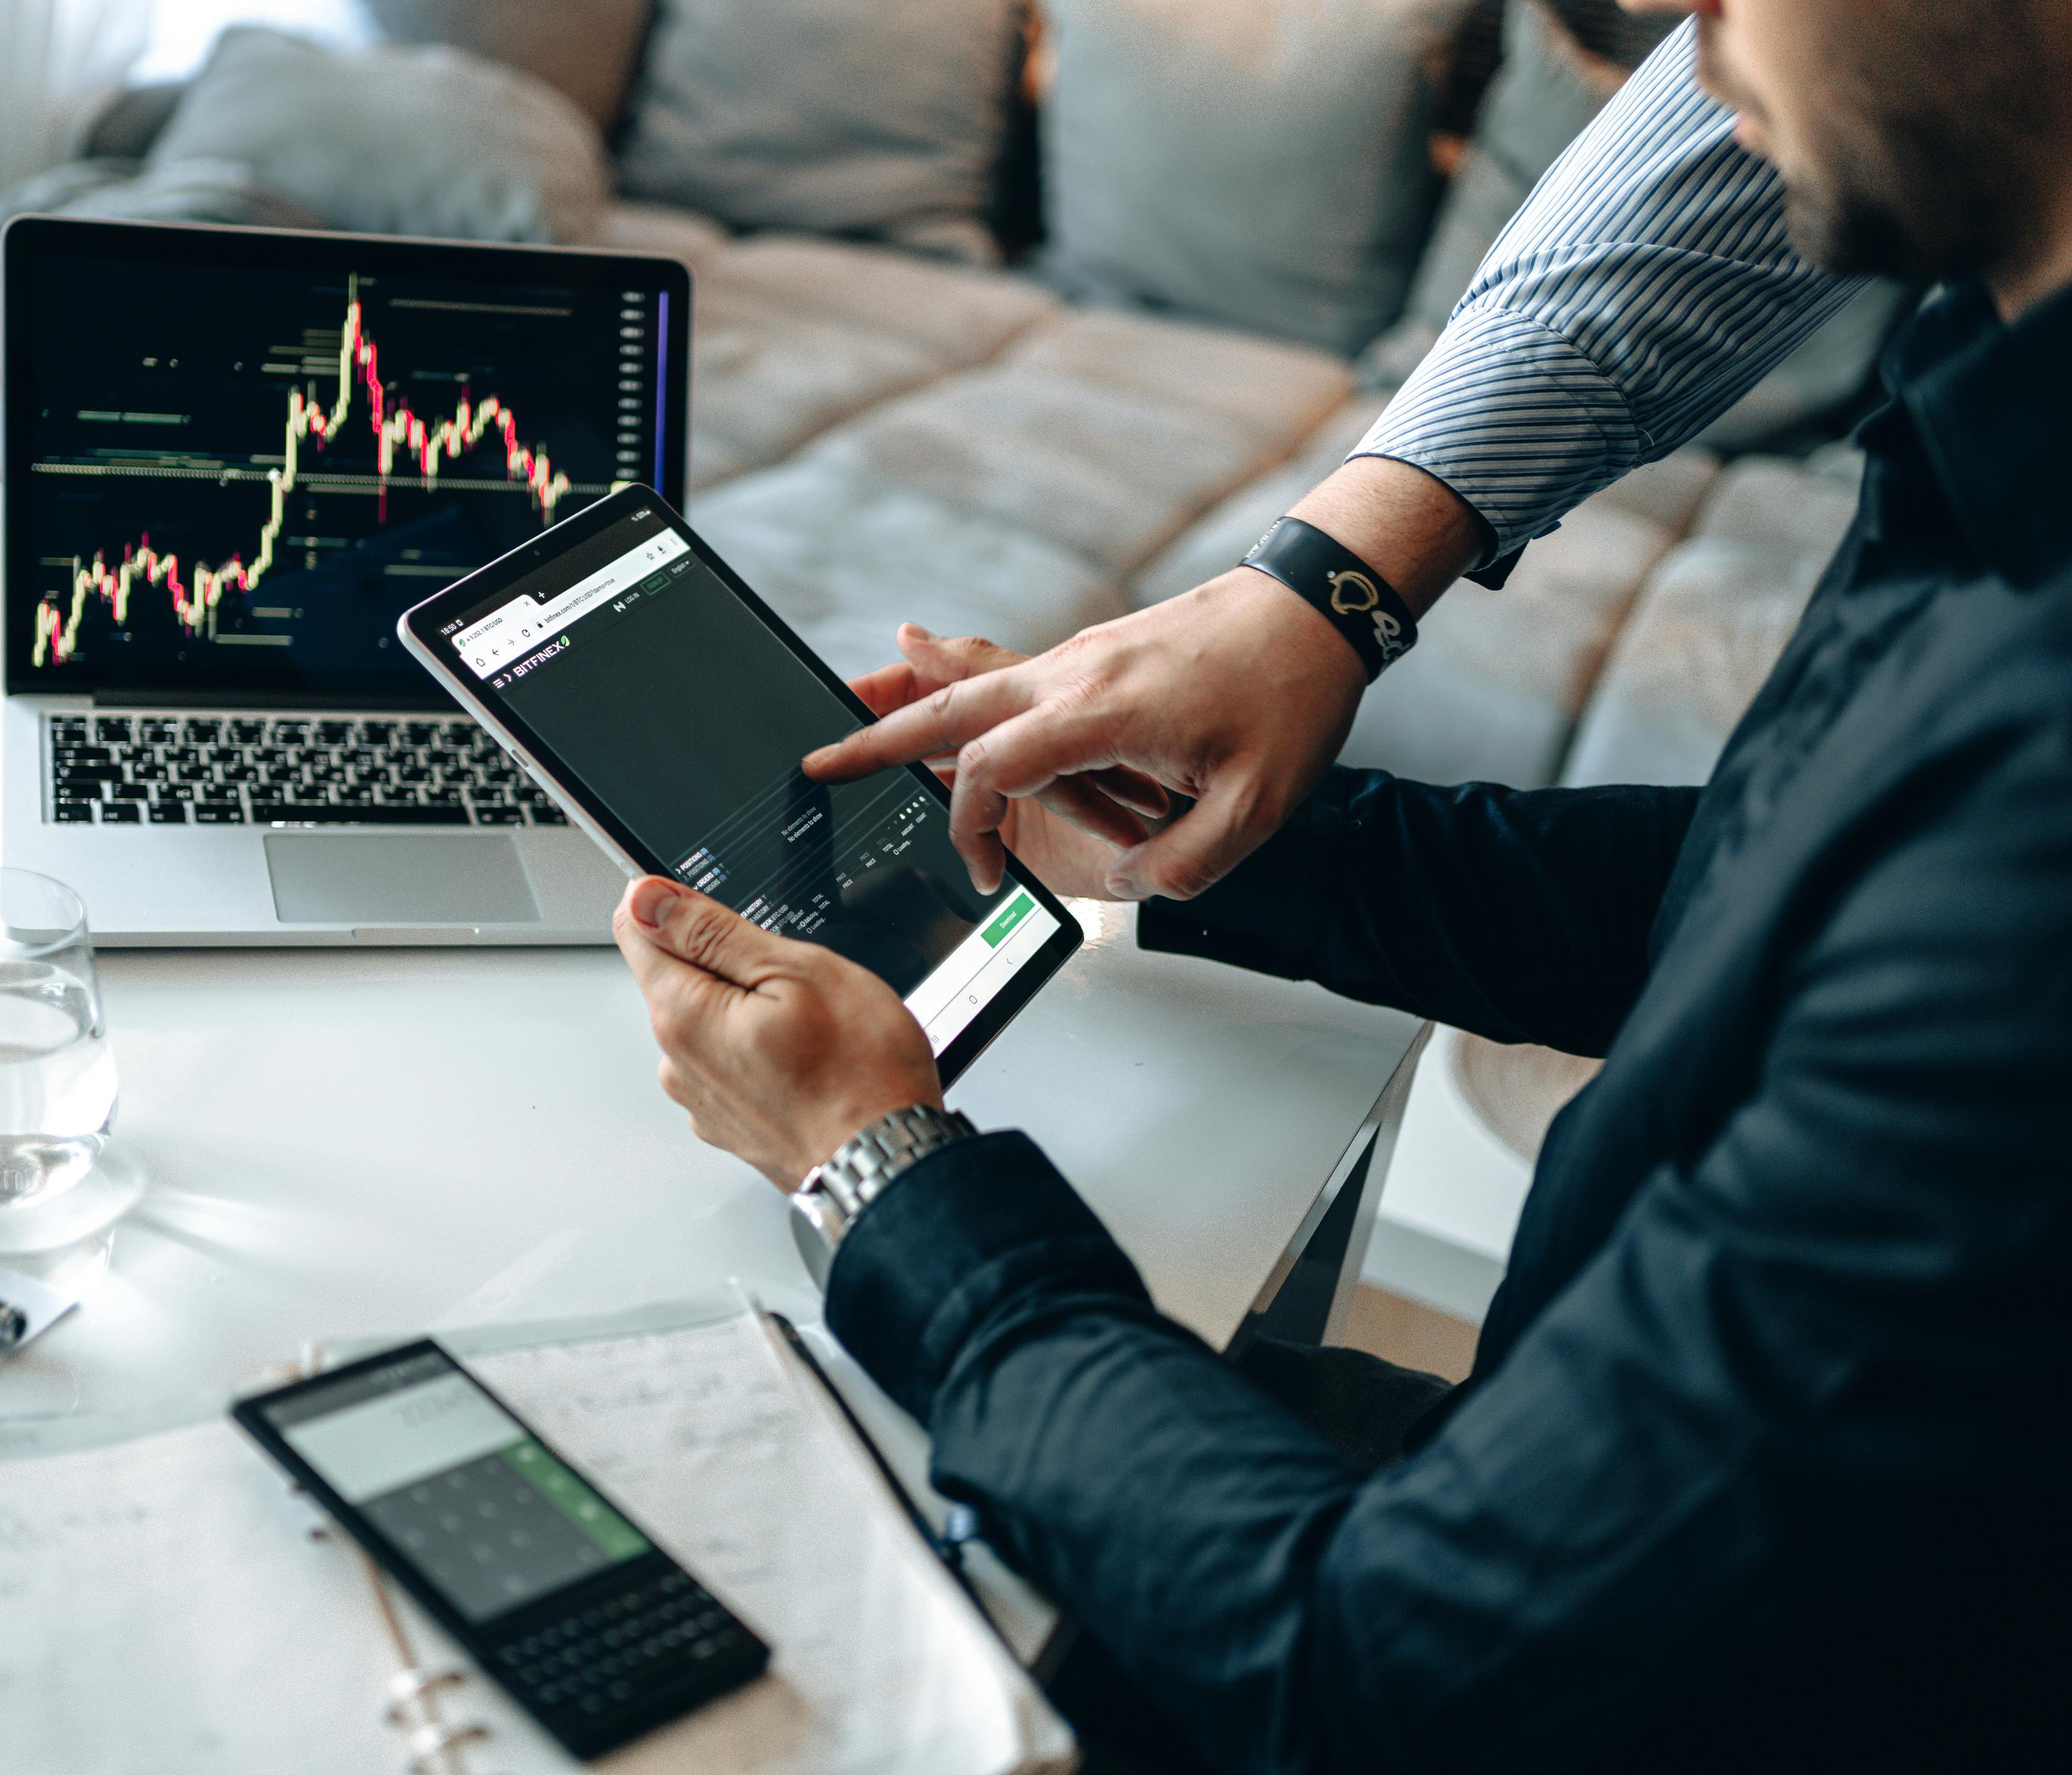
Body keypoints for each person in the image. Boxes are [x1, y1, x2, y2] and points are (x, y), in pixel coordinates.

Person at [609, 3, 2072, 1768]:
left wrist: (876, 1170)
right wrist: (1220, 851)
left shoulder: (2032, 827)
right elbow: (1763, 898)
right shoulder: (1994, 427)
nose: (1658, 58)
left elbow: (1383, 1664)